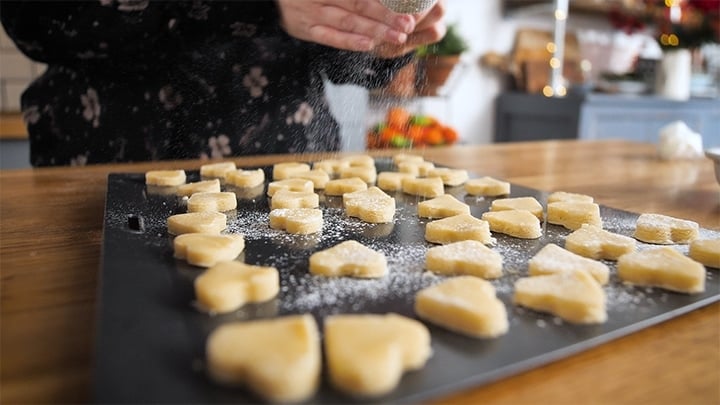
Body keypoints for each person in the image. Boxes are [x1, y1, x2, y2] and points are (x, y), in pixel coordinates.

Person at [0, 0, 446, 166]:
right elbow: (35, 19)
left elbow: (342, 70)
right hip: (110, 171)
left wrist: (378, 41)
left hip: (290, 177)